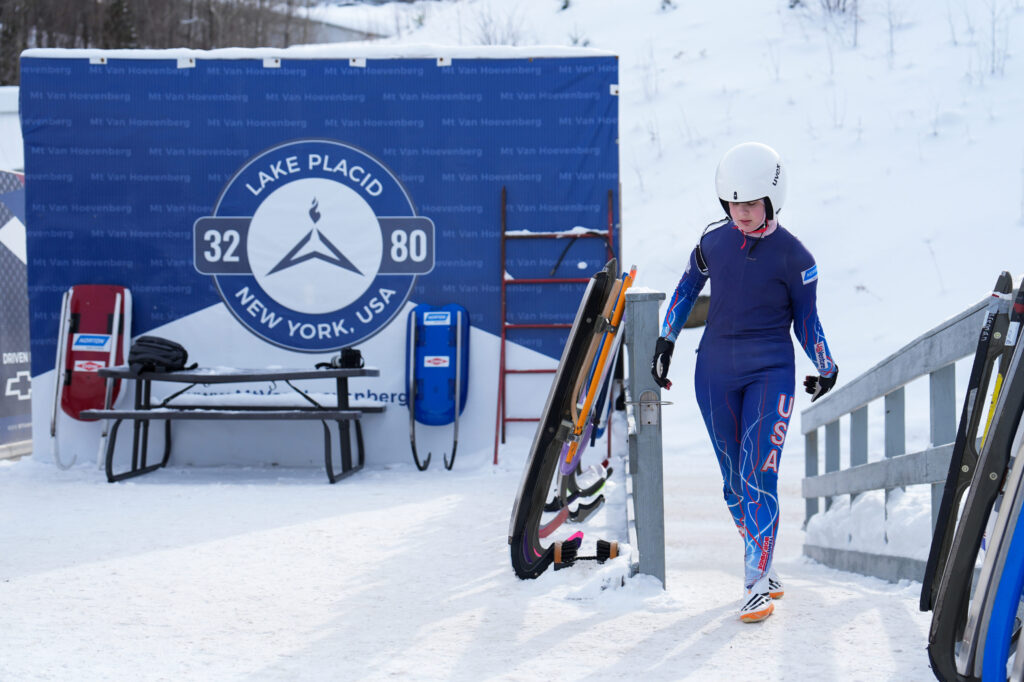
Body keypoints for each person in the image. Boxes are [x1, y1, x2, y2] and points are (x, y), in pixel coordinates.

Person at [650, 142, 838, 623]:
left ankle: (755, 581)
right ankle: (765, 560)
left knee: (760, 476)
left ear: (773, 199)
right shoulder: (713, 241)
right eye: (733, 204)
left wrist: (825, 364)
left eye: (751, 204)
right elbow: (686, 288)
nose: (742, 213)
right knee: (734, 483)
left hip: (769, 372)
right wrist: (666, 340)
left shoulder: (797, 258)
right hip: (713, 372)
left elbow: (807, 321)